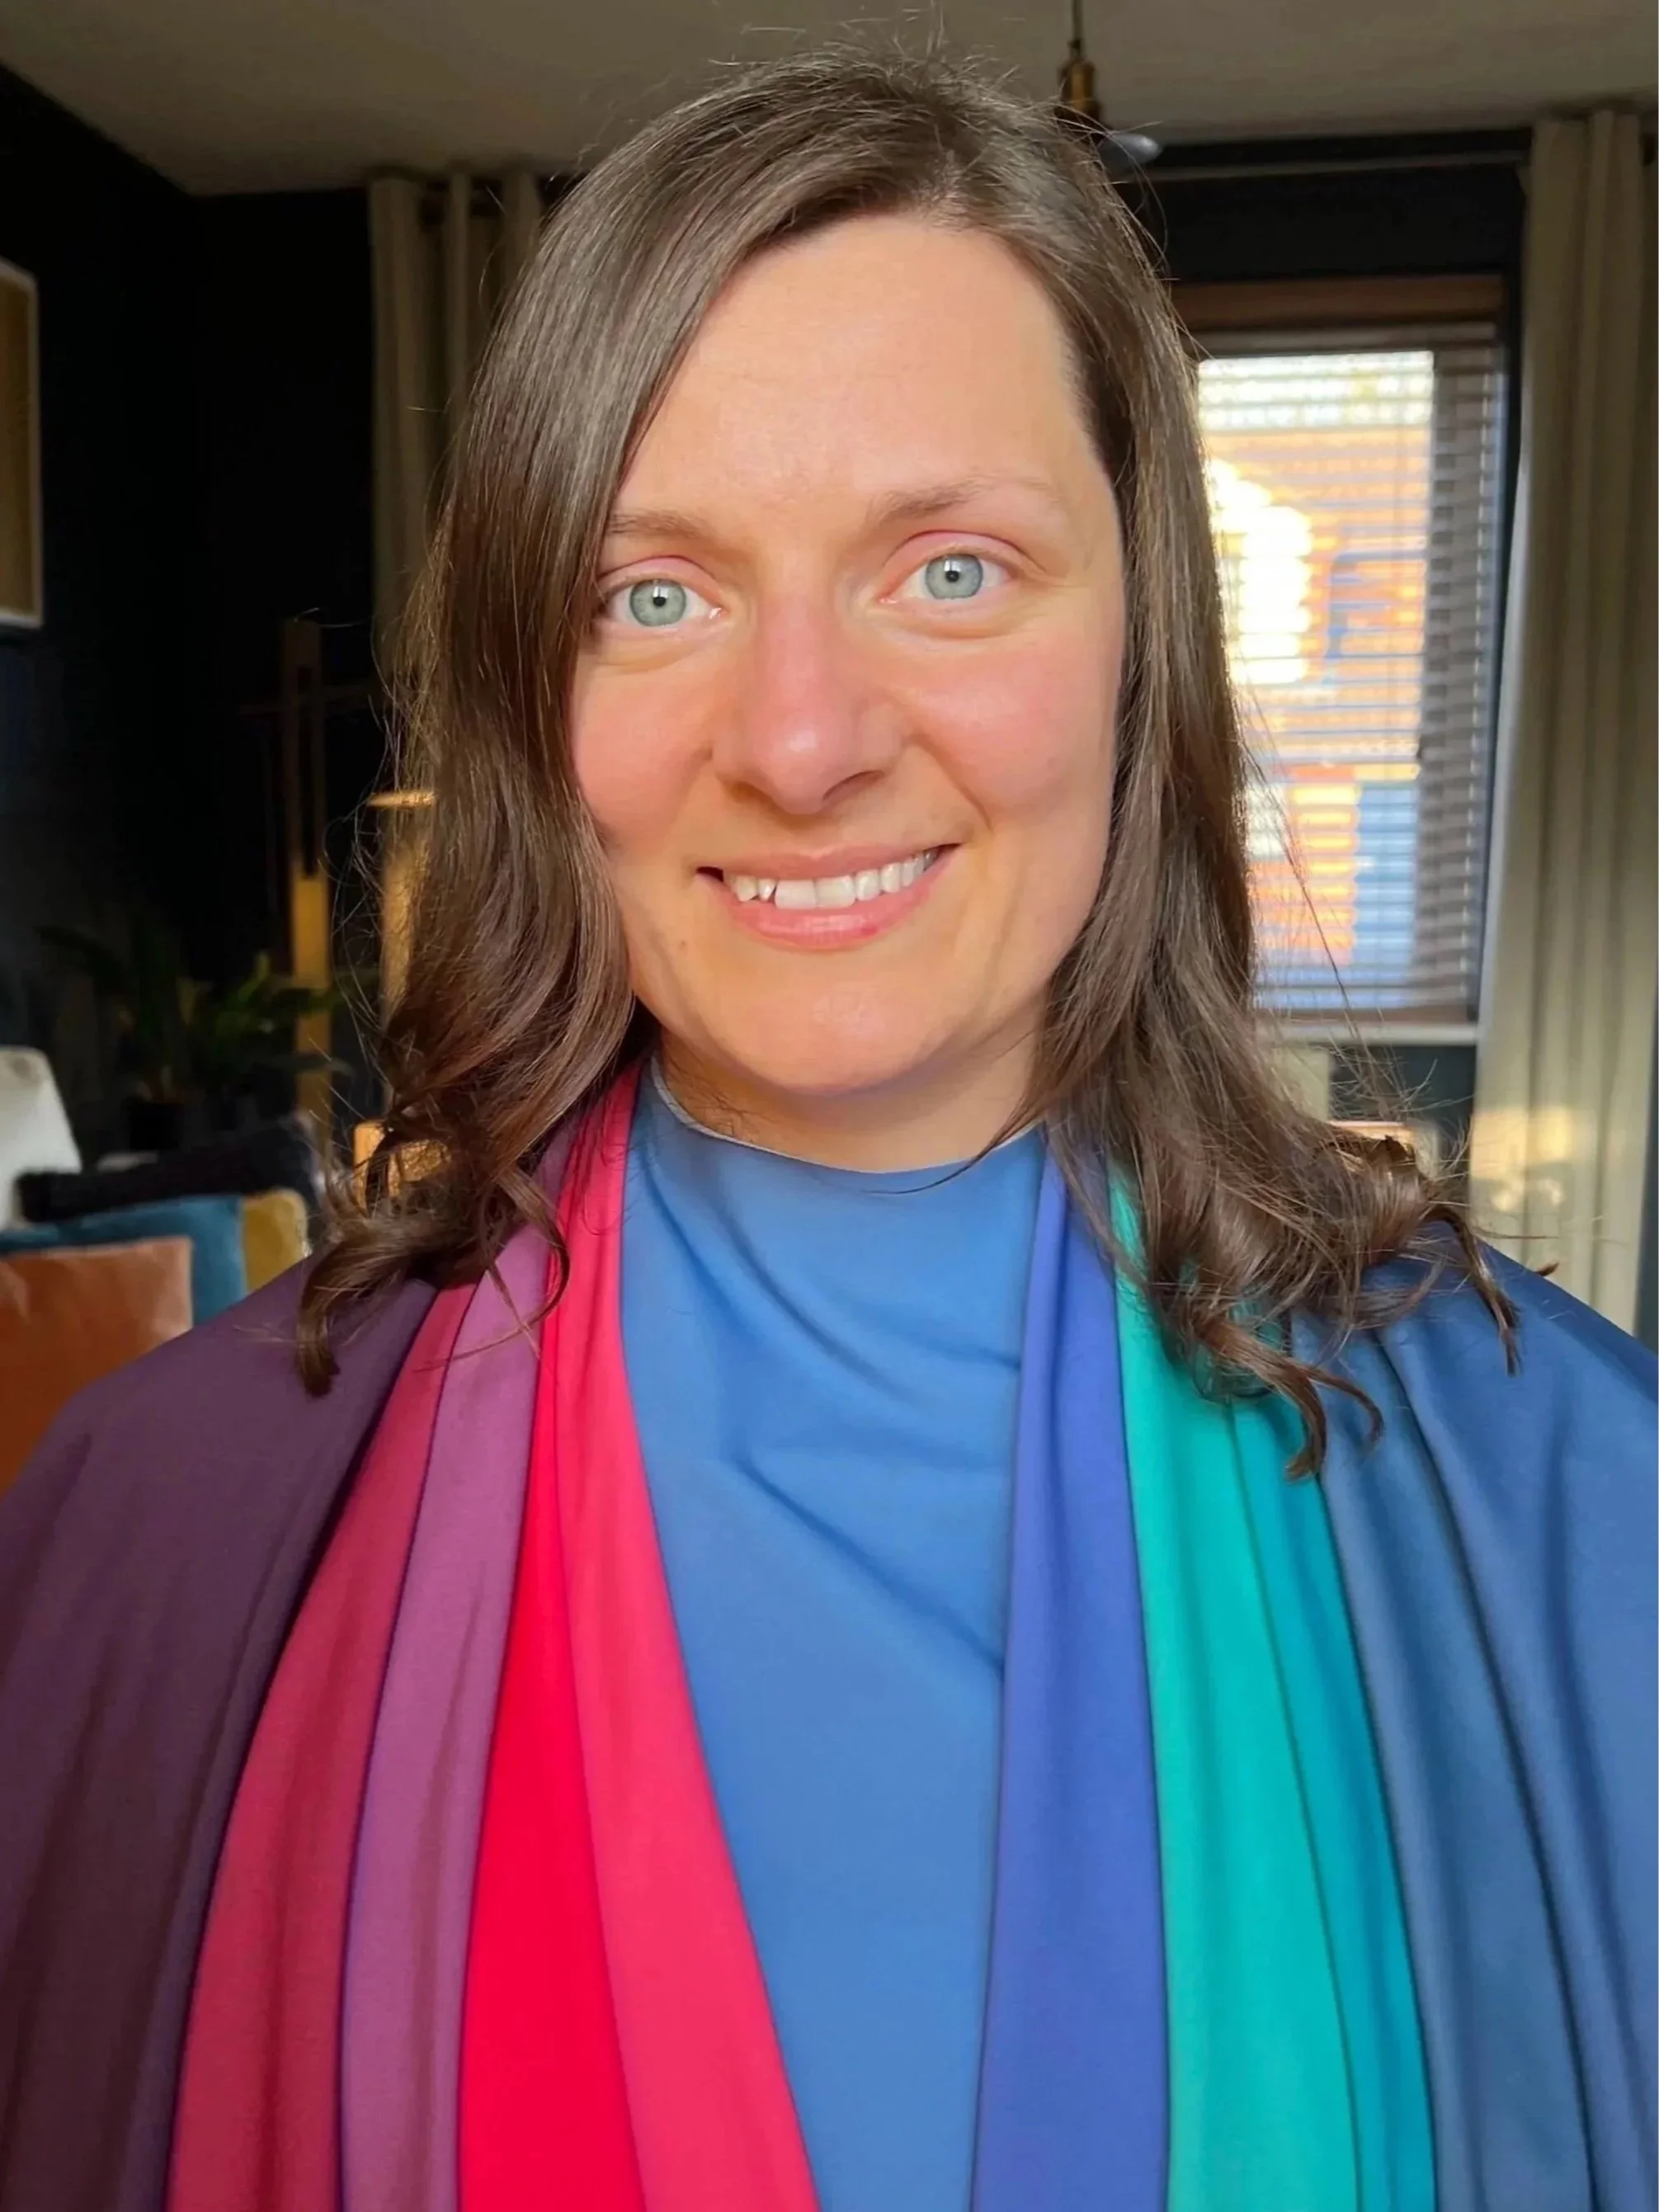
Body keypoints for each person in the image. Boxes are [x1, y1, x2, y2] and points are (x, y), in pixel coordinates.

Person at [0, 51, 1652, 2212]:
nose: (798, 742)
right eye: (654, 594)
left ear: (1145, 648)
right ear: (534, 701)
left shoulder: (1574, 1502)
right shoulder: (158, 1532)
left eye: (950, 569)